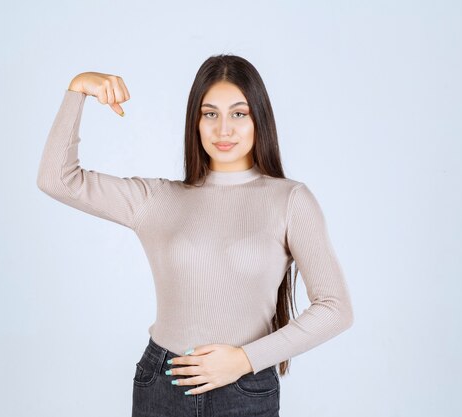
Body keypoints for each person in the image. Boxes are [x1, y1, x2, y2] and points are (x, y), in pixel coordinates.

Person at [37, 54, 354, 417]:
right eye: (210, 114)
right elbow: (57, 179)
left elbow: (336, 308)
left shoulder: (290, 200)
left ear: (259, 119)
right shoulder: (157, 199)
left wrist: (244, 359)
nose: (223, 130)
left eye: (239, 113)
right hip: (162, 383)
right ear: (195, 122)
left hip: (246, 389)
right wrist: (77, 88)